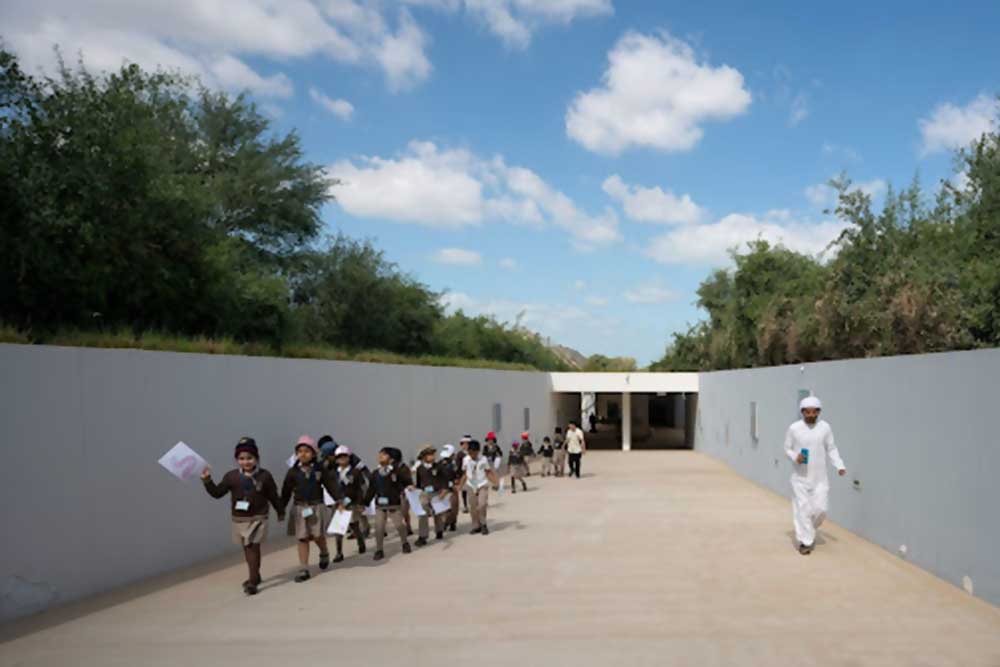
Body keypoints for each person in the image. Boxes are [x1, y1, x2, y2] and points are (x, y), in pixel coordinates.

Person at [201, 437, 283, 596]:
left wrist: (280, 511)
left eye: (250, 458)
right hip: (240, 518)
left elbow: (273, 495)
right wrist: (207, 480)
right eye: (241, 458)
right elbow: (217, 493)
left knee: (252, 546)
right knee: (248, 548)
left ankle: (252, 581)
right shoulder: (231, 477)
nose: (246, 462)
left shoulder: (264, 476)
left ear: (257, 459)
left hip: (259, 516)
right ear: (236, 459)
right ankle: (256, 575)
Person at [784, 396, 847, 555]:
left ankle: (809, 531)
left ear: (819, 412)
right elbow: (787, 448)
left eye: (814, 412)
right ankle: (806, 541)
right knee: (803, 510)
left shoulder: (825, 427)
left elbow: (831, 448)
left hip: (820, 478)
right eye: (807, 412)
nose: (811, 415)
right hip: (800, 478)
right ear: (802, 412)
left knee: (821, 510)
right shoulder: (794, 428)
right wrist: (795, 456)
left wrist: (839, 465)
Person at [280, 435, 334, 582]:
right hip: (300, 508)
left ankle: (324, 551)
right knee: (302, 537)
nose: (303, 454)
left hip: (316, 506)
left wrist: (340, 499)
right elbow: (286, 491)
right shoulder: (293, 472)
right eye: (300, 451)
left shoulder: (320, 469)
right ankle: (304, 568)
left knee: (317, 535)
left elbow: (331, 484)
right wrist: (281, 508)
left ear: (314, 453)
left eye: (307, 451)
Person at [364, 446, 413, 561]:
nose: (380, 456)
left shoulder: (396, 471)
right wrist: (365, 503)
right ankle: (379, 549)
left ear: (391, 459)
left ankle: (405, 542)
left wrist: (409, 486)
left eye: (384, 454)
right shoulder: (375, 473)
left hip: (393, 504)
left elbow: (405, 481)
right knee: (379, 527)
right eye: (380, 454)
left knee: (399, 525)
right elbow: (371, 489)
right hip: (380, 505)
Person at [328, 445, 368, 562]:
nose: (342, 459)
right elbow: (332, 488)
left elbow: (359, 488)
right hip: (339, 504)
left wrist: (360, 503)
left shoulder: (355, 472)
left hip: (352, 502)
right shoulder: (333, 473)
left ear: (349, 457)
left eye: (344, 456)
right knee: (338, 530)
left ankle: (361, 543)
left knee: (354, 526)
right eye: (339, 457)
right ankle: (339, 553)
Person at [454, 440, 499, 535]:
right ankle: (476, 526)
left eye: (474, 453)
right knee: (473, 507)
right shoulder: (466, 459)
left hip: (482, 484)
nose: (472, 455)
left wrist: (495, 482)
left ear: (478, 451)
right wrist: (460, 486)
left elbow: (488, 472)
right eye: (470, 452)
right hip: (471, 485)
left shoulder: (483, 459)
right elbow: (465, 474)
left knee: (482, 504)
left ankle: (483, 524)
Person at [412, 445, 450, 545]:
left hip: (437, 492)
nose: (433, 456)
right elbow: (419, 483)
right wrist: (414, 489)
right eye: (430, 454)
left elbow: (445, 480)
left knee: (438, 513)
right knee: (422, 512)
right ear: (424, 456)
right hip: (425, 493)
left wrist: (444, 491)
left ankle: (439, 530)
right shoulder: (420, 468)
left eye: (433, 454)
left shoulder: (439, 466)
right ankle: (423, 536)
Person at [439, 444, 460, 532]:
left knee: (452, 507)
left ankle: (451, 523)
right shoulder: (444, 465)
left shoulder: (442, 464)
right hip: (446, 488)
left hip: (448, 488)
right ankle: (447, 523)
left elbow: (456, 477)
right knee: (449, 507)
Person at [456, 435, 472, 515]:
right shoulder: (459, 454)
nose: (466, 445)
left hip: (472, 475)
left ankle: (473, 504)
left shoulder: (472, 453)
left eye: (467, 444)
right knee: (464, 491)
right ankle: (465, 505)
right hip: (463, 475)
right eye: (464, 444)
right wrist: (458, 477)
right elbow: (458, 466)